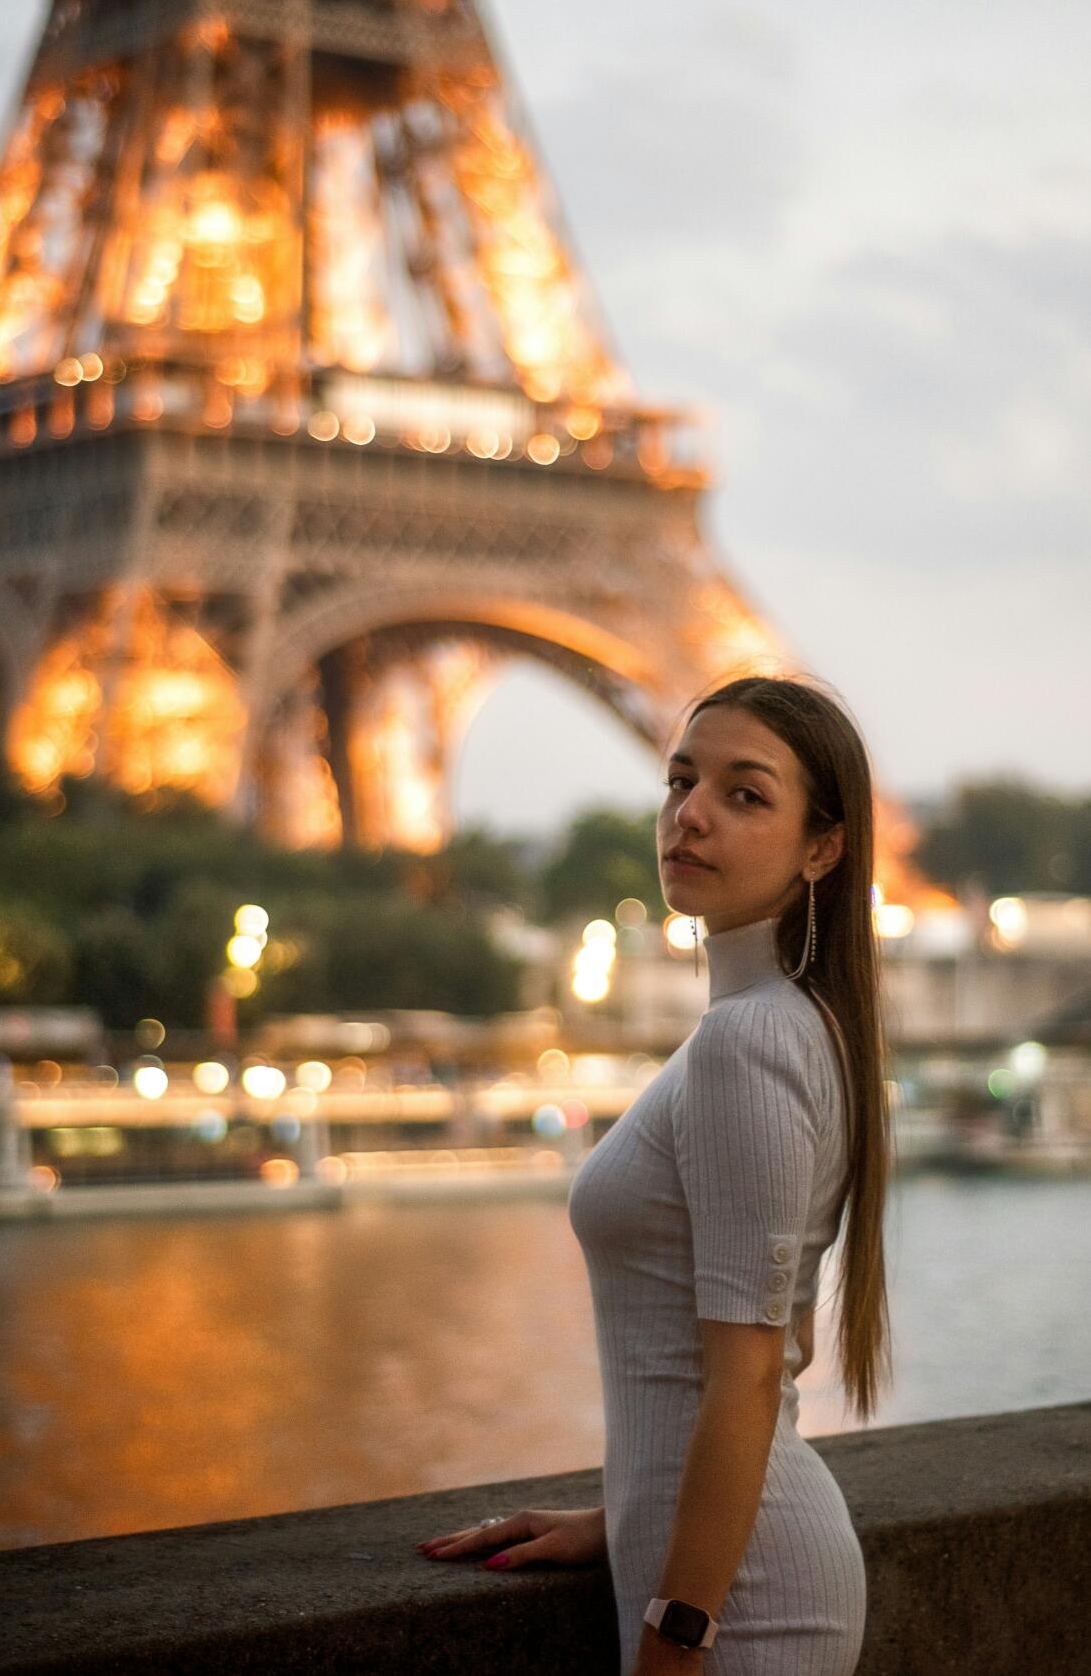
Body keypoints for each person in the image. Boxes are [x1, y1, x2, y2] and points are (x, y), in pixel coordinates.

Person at [417, 673, 894, 1674]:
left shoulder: (748, 1041)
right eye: (680, 781)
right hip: (723, 1562)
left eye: (743, 793)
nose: (691, 814)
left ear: (823, 846)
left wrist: (675, 1638)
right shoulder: (791, 1024)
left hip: (741, 1598)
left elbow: (753, 1372)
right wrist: (622, 1510)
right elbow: (778, 1329)